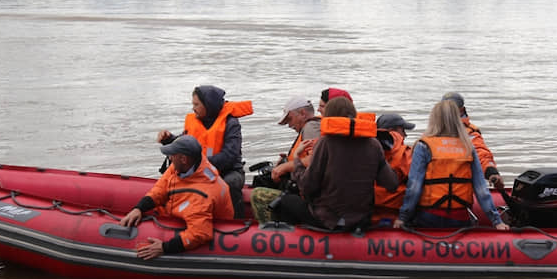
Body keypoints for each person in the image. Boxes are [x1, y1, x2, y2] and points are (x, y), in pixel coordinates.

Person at [276, 96, 399, 231]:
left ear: (329, 117)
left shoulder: (325, 143)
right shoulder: (373, 144)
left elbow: (307, 186)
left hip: (328, 220)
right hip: (361, 220)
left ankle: (292, 242)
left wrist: (297, 160)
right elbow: (391, 184)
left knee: (286, 200)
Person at [393, 100, 510, 231]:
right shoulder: (468, 146)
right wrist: (497, 222)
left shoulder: (424, 146)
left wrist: (403, 217)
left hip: (429, 216)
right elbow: (481, 190)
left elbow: (414, 188)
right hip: (459, 218)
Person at [120, 135, 234, 259]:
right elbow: (160, 189)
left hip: (210, 224)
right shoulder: (185, 166)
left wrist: (164, 247)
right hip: (187, 211)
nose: (169, 158)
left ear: (183, 159)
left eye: (172, 155)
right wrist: (139, 208)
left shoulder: (201, 196)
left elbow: (200, 233)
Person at [157, 85, 252, 218]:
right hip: (200, 170)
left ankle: (236, 222)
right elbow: (185, 142)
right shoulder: (194, 122)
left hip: (228, 171)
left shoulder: (231, 123)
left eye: (196, 104)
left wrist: (200, 165)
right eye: (193, 104)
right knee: (173, 180)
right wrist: (169, 139)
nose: (193, 108)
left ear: (209, 105)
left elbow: (229, 155)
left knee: (230, 184)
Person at [250, 95, 322, 223]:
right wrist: (285, 162)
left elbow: (314, 160)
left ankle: (271, 234)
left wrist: (285, 167)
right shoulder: (311, 127)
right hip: (304, 189)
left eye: (290, 119)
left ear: (302, 113)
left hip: (308, 196)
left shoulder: (311, 127)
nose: (289, 125)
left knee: (258, 194)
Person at [441, 91, 505, 192]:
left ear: (462, 110)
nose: (449, 112)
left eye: (453, 108)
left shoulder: (470, 134)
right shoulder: (433, 132)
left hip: (462, 189)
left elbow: (482, 155)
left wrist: (492, 172)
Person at [372, 113, 415, 225]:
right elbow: (415, 184)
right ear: (393, 130)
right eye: (403, 130)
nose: (405, 135)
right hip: (396, 215)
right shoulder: (406, 153)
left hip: (369, 213)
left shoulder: (365, 148)